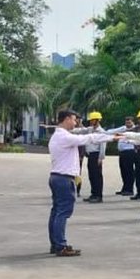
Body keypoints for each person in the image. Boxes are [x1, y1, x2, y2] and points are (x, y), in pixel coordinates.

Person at [48, 110, 125, 257]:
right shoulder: (64, 136)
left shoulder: (58, 136)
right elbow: (89, 138)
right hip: (64, 178)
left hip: (57, 177)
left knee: (57, 212)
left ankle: (56, 243)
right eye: (74, 119)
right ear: (66, 119)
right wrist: (111, 138)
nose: (76, 122)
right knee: (62, 212)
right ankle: (60, 245)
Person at [82, 112, 108, 203]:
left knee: (97, 176)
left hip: (97, 155)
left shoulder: (101, 131)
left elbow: (103, 146)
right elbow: (80, 130)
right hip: (90, 155)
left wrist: (101, 158)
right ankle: (93, 193)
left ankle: (98, 195)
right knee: (91, 175)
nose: (91, 121)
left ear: (97, 120)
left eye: (93, 120)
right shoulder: (90, 129)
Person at [115, 118, 138, 197]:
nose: (128, 123)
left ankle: (129, 189)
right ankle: (125, 188)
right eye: (126, 122)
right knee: (123, 171)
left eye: (129, 122)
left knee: (129, 171)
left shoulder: (135, 130)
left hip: (130, 151)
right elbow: (113, 131)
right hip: (122, 152)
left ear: (132, 122)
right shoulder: (123, 129)